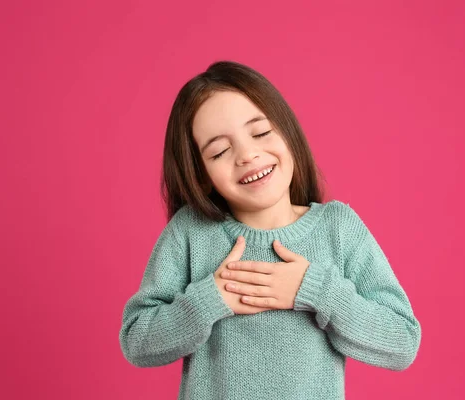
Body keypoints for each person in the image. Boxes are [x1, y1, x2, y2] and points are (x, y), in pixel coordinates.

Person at [119, 60, 421, 400]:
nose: (248, 154)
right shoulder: (192, 231)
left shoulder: (337, 228)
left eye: (260, 132)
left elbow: (402, 341)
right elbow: (137, 340)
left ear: (287, 132)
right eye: (219, 151)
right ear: (200, 174)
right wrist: (207, 301)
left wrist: (317, 291)